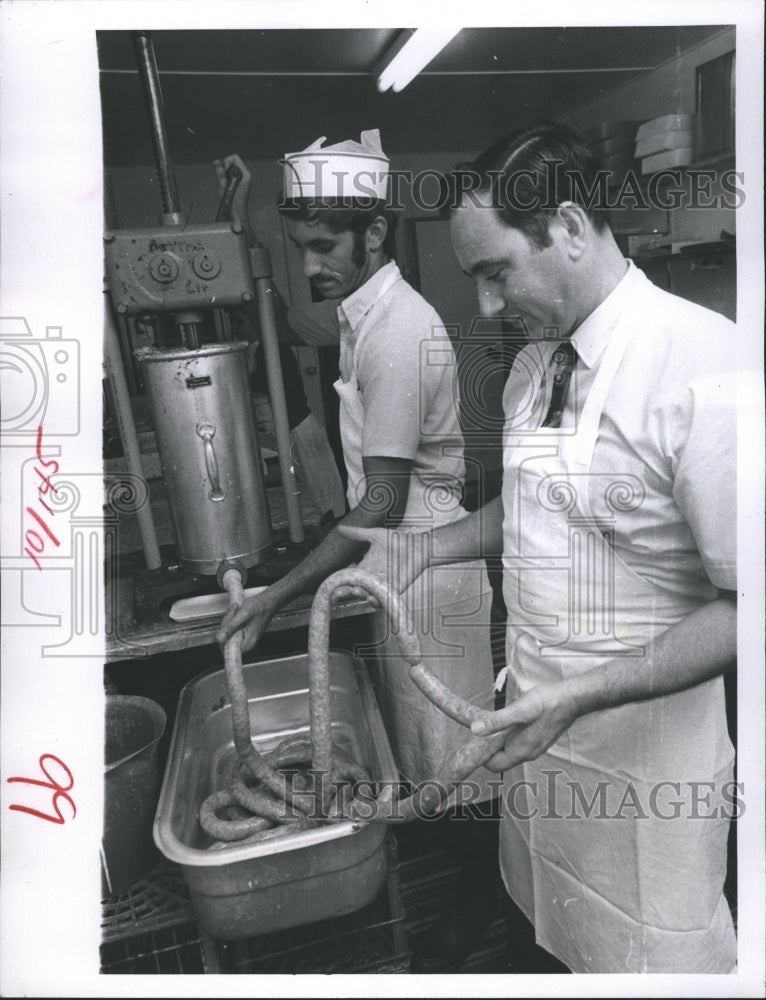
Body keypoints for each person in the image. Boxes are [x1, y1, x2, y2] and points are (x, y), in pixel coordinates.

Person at [341, 121, 743, 974]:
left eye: (495, 273)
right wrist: (424, 550)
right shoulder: (534, 368)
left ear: (566, 227)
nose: (486, 305)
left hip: (644, 767)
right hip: (540, 743)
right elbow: (533, 511)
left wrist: (583, 693)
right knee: (556, 931)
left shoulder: (704, 365)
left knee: (652, 960)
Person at [215, 132, 500, 972]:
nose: (310, 266)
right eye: (300, 249)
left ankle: (482, 903)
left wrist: (279, 593)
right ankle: (461, 875)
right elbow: (291, 313)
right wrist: (237, 232)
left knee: (456, 757)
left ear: (375, 234)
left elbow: (378, 499)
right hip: (393, 560)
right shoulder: (358, 310)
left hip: (429, 561)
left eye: (324, 246)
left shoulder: (395, 330)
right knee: (422, 750)